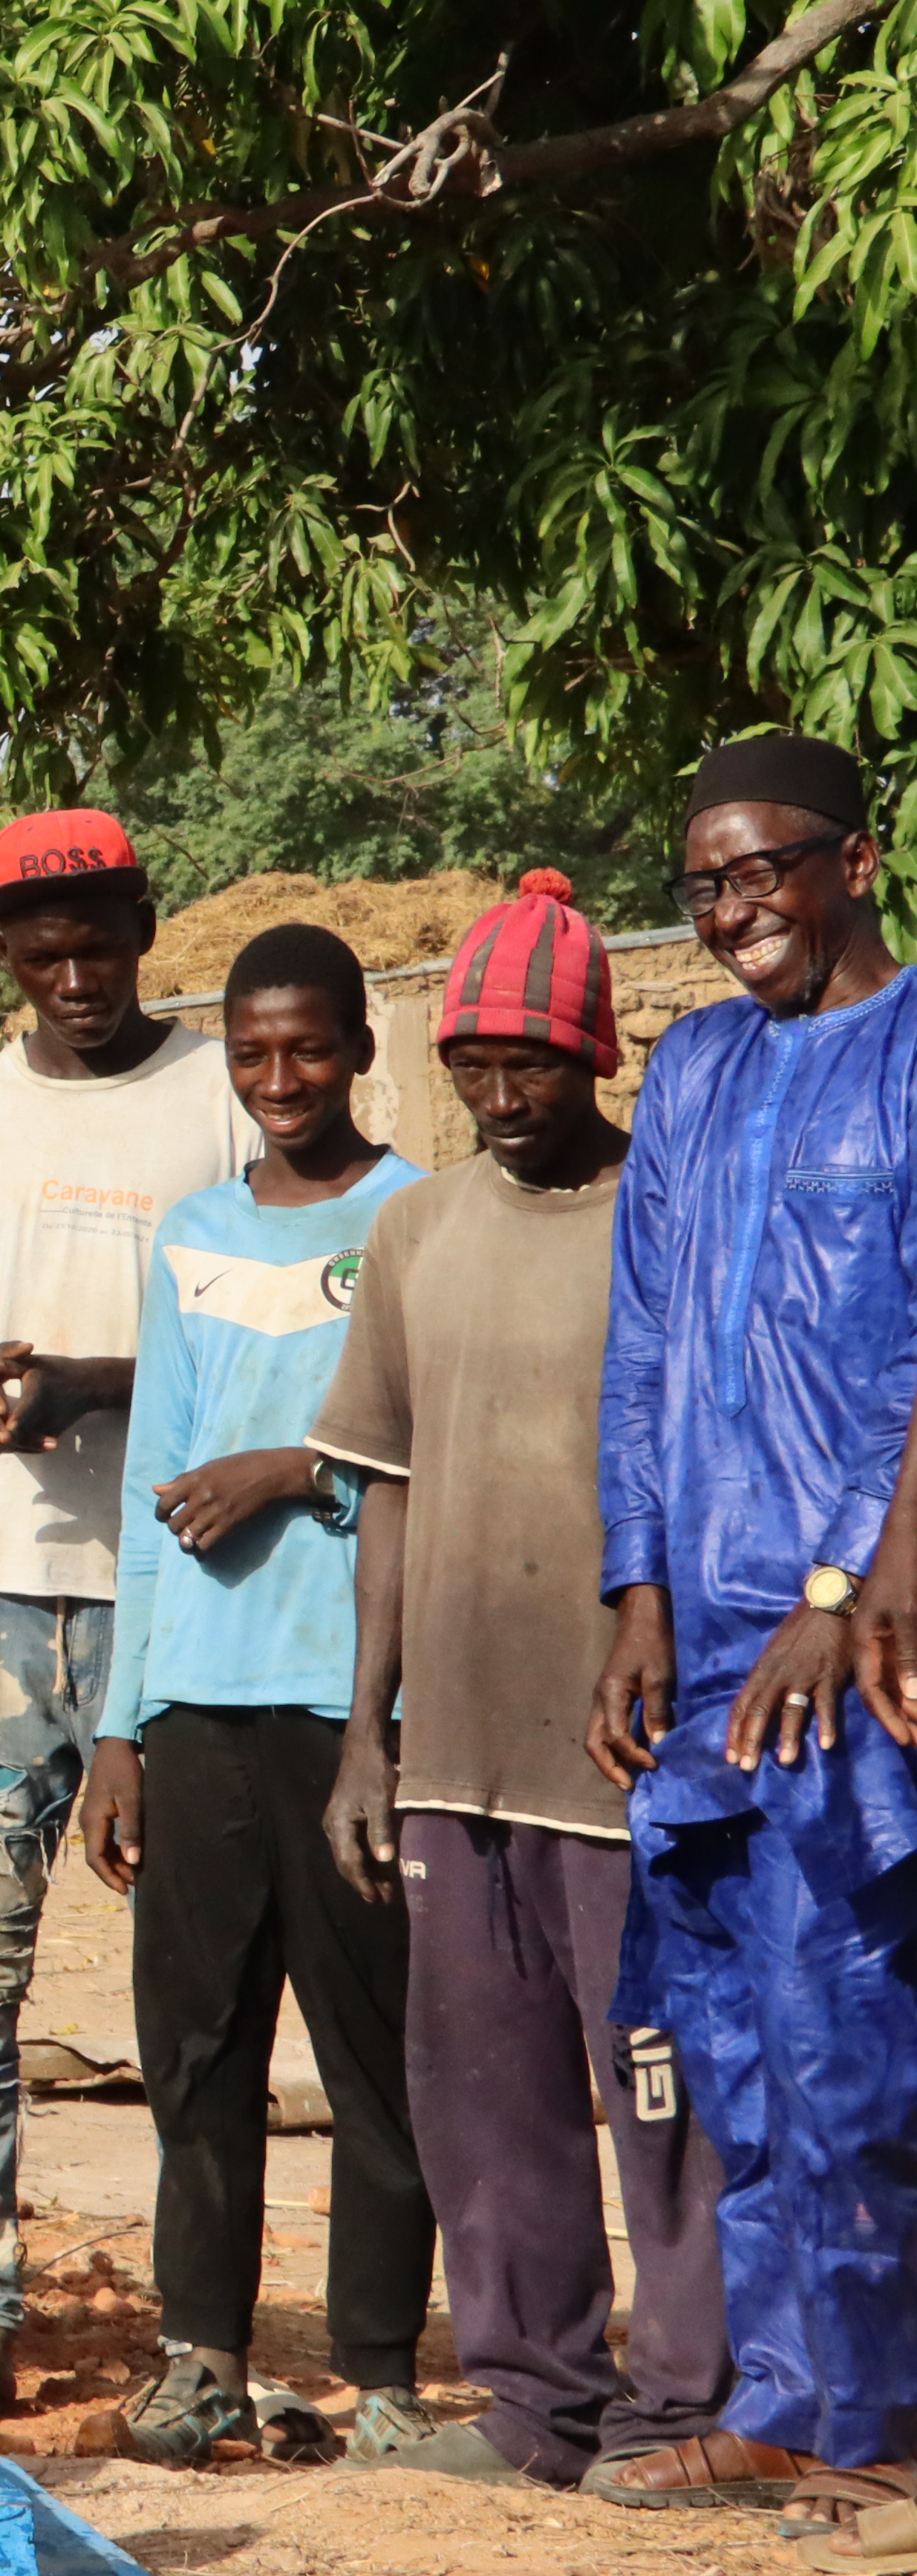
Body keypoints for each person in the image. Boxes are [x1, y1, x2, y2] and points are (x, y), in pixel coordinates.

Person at [313, 874, 734, 2494]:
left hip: (622, 1746)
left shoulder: (665, 1216)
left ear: (596, 1057)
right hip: (456, 1745)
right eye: (476, 1064)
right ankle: (530, 2397)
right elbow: (388, 1485)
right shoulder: (416, 1223)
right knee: (484, 2094)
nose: (501, 1097)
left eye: (534, 1066)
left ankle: (685, 2396)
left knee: (661, 2086)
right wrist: (369, 1729)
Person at [0, 806, 256, 2421]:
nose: (78, 973)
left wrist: (95, 1383)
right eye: (45, 949)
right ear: (3, 953)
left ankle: (201, 2327)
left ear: (148, 921)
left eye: (103, 940)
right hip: (1, 1594)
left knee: (200, 1980)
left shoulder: (237, 1093)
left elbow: (276, 1348)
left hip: (196, 1590)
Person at [593, 732, 917, 2534]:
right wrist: (636, 1594)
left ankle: (874, 2421)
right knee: (730, 2029)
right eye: (706, 883)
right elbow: (643, 1348)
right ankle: (787, 2401)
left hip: (852, 1640)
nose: (733, 914)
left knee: (847, 2019)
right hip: (698, 1637)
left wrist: (841, 1589)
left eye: (764, 872)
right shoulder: (700, 1070)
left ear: (856, 860)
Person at [71, 927, 427, 2462]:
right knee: (198, 2046)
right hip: (204, 1701)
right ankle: (201, 2351)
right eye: (253, 1054)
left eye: (310, 1049)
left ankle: (381, 2370)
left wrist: (297, 1472)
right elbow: (158, 1483)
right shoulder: (196, 1231)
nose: (283, 1080)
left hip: (355, 1700)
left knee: (373, 2049)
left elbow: (438, 1453)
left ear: (361, 1047)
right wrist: (118, 1724)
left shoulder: (417, 1218)